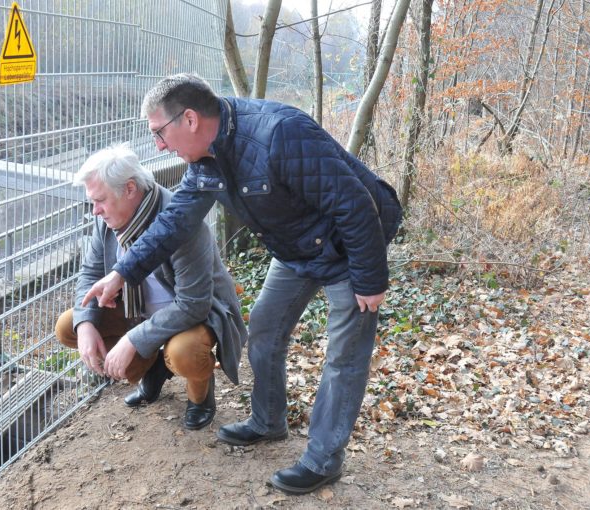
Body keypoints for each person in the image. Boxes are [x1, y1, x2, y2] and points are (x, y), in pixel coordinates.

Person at [82, 74, 402, 494]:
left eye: (159, 132)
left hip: (350, 246)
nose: (158, 146)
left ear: (190, 119)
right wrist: (123, 272)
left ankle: (324, 458)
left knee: (344, 354)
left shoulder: (279, 134)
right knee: (265, 331)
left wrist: (370, 276)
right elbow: (174, 221)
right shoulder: (206, 160)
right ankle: (268, 421)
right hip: (297, 248)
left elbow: (355, 203)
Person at [55, 142, 247, 431]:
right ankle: (152, 365)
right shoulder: (107, 220)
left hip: (195, 314)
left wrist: (132, 341)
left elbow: (193, 304)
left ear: (130, 189)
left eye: (100, 200)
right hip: (141, 310)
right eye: (92, 201)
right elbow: (90, 274)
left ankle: (201, 396)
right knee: (68, 325)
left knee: (184, 352)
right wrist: (85, 327)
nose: (94, 211)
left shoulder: (180, 220)